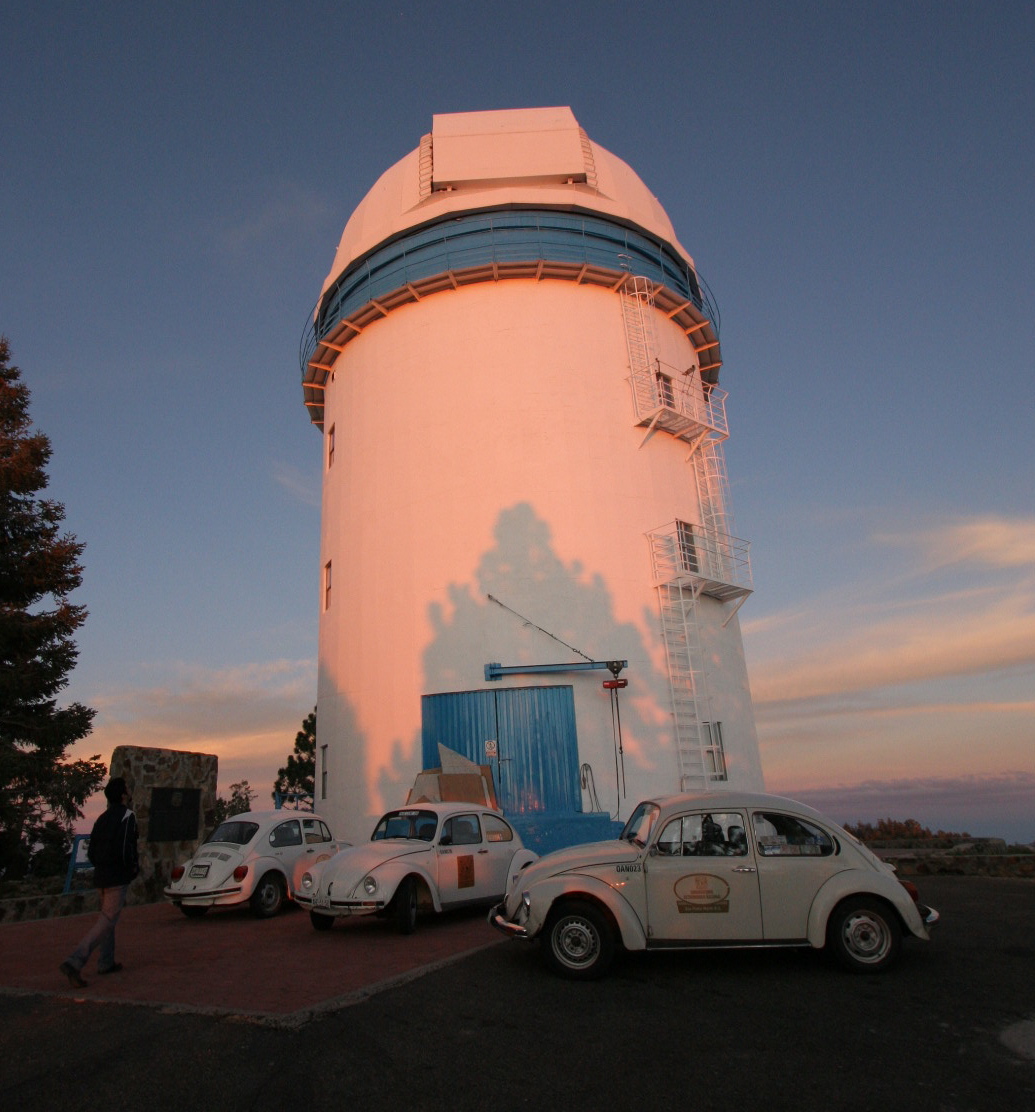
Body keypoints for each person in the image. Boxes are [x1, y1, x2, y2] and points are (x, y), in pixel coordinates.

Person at [59, 776, 139, 988]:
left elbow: (92, 850)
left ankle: (106, 961)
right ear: (123, 795)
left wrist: (101, 866)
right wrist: (131, 867)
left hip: (101, 876)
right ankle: (75, 961)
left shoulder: (102, 818)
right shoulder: (127, 816)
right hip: (116, 876)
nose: (130, 790)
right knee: (107, 920)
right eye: (127, 788)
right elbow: (126, 847)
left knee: (108, 919)